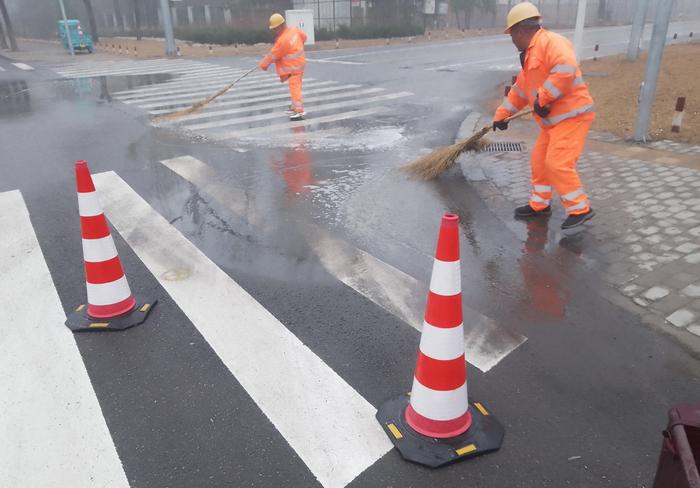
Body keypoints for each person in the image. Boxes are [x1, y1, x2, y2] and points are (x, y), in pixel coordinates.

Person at [493, 2, 595, 230]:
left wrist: (544, 97)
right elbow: (520, 91)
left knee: (557, 163)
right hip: (554, 124)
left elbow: (566, 67)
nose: (512, 41)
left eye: (511, 36)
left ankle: (580, 209)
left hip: (573, 117)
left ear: (520, 31)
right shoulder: (530, 55)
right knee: (539, 161)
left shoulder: (551, 42)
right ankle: (540, 206)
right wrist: (501, 115)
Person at [258, 13, 307, 121]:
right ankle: (295, 107)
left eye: (275, 28)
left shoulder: (282, 40)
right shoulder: (294, 30)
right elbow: (304, 37)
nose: (275, 31)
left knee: (294, 86)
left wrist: (263, 65)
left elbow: (273, 54)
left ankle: (299, 111)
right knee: (294, 86)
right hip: (299, 63)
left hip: (294, 66)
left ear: (281, 26)